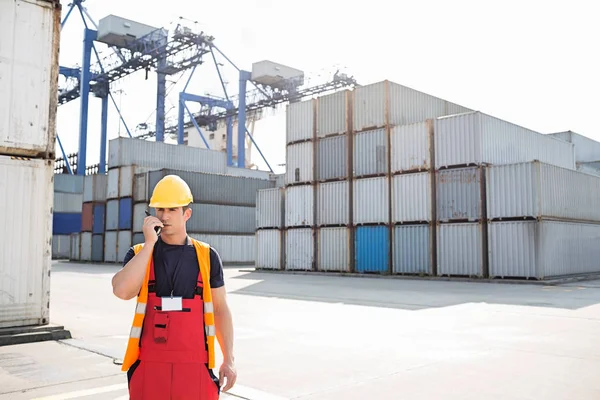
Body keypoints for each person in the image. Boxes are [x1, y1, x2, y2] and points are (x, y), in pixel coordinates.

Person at [111, 175, 237, 399]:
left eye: (172, 210)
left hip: (195, 367)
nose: (164, 216)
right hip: (149, 367)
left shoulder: (207, 256)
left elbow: (220, 309)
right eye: (160, 210)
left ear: (186, 214)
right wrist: (150, 243)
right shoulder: (140, 252)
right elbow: (122, 291)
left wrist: (229, 359)